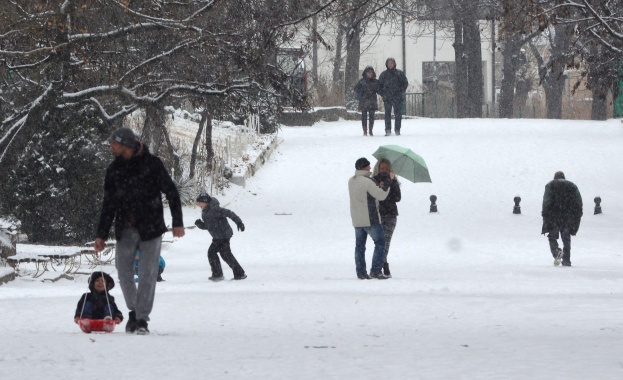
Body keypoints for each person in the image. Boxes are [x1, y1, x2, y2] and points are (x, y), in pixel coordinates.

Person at [94, 127, 185, 335]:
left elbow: (171, 192)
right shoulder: (114, 169)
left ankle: (141, 319)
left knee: (147, 273)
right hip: (125, 228)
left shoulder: (152, 164)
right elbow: (108, 204)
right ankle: (134, 310)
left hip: (151, 228)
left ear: (126, 144)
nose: (111, 146)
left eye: (114, 143)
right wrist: (101, 234)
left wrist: (177, 222)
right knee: (124, 271)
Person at [348, 157, 391, 279]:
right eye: (368, 166)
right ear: (364, 167)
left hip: (357, 219)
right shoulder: (368, 181)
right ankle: (376, 271)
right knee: (380, 243)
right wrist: (387, 183)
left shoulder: (351, 181)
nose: (370, 168)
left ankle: (361, 273)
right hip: (370, 218)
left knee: (359, 246)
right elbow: (381, 195)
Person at [194, 193, 247, 281]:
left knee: (212, 253)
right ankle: (239, 273)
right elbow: (209, 226)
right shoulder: (205, 211)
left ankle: (218, 274)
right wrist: (200, 225)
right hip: (218, 236)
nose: (198, 204)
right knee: (225, 255)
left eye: (199, 202)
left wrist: (239, 222)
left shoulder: (215, 209)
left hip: (223, 235)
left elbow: (230, 213)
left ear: (205, 202)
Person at [541, 171, 583, 267]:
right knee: (566, 238)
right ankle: (566, 260)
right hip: (568, 217)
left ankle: (557, 252)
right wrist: (577, 214)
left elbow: (546, 201)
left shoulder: (550, 185)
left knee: (552, 237)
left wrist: (545, 214)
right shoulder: (572, 186)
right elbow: (578, 202)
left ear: (555, 177)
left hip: (553, 216)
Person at [372, 159, 401, 278]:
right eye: (382, 168)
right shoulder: (374, 180)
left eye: (386, 168)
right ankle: (382, 266)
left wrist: (391, 183)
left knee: (386, 242)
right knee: (379, 243)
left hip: (390, 215)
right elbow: (374, 196)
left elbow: (397, 198)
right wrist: (380, 187)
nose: (384, 171)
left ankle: (382, 265)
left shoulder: (393, 181)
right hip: (378, 215)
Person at [378, 57, 409, 136]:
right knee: (387, 114)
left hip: (397, 97)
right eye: (389, 63)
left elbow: (405, 83)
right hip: (387, 98)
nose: (390, 64)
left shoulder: (399, 73)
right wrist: (383, 94)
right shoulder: (383, 75)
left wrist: (400, 92)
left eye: (391, 63)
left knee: (398, 114)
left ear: (394, 64)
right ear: (386, 64)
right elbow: (379, 86)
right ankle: (388, 130)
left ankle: (397, 130)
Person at [354, 66, 380, 136]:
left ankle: (370, 130)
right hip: (364, 100)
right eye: (368, 72)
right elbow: (356, 89)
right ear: (365, 73)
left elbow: (379, 90)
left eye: (371, 72)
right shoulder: (361, 81)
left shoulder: (375, 81)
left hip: (372, 100)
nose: (370, 74)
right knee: (364, 116)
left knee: (372, 116)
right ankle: (365, 131)